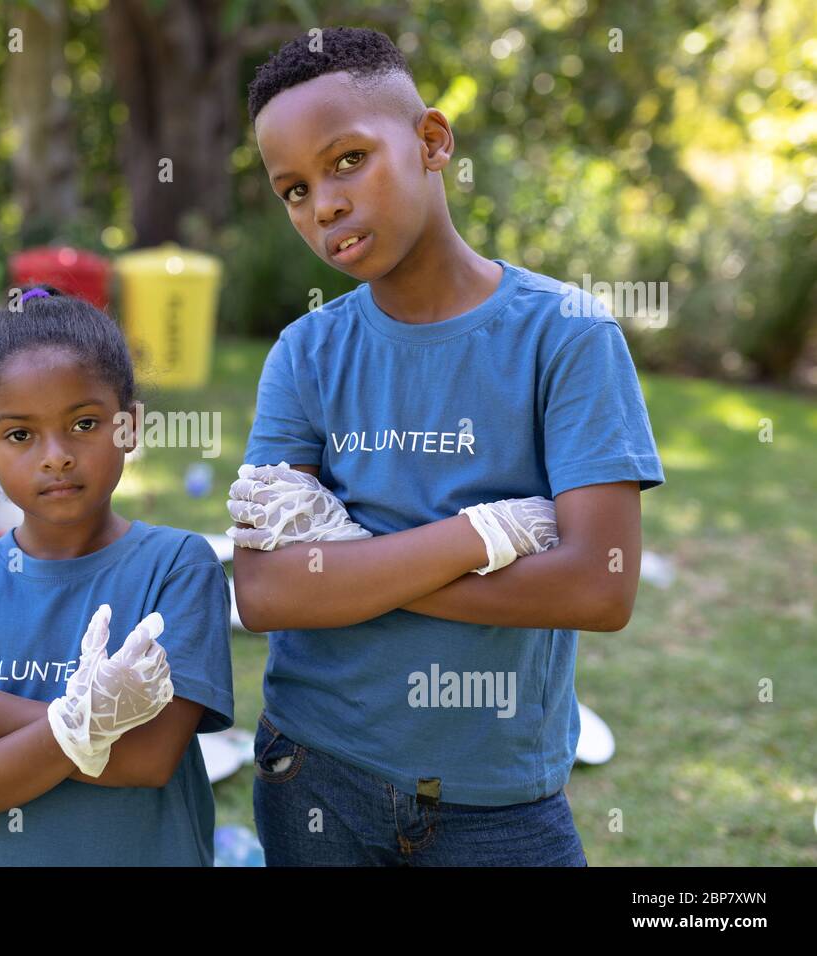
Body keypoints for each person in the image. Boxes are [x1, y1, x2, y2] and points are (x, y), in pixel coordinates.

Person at [230, 28, 665, 866]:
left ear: (431, 141)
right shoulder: (306, 354)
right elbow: (267, 590)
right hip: (313, 770)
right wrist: (480, 537)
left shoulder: (565, 338)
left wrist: (349, 564)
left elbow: (599, 587)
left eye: (347, 160)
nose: (322, 205)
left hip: (495, 797)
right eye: (293, 189)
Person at [0, 286, 236, 866]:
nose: (56, 455)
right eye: (19, 435)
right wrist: (90, 719)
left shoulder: (179, 566)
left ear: (129, 425)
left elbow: (149, 760)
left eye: (84, 423)